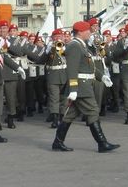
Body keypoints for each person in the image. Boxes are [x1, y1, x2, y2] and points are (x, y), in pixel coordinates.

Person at [51, 21, 119, 153]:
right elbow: (72, 69)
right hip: (81, 87)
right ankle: (102, 143)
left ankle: (57, 142)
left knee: (69, 116)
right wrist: (74, 89)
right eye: (88, 30)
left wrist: (102, 77)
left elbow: (89, 66)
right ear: (80, 32)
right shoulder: (74, 46)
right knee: (93, 111)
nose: (90, 32)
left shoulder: (82, 45)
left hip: (84, 84)